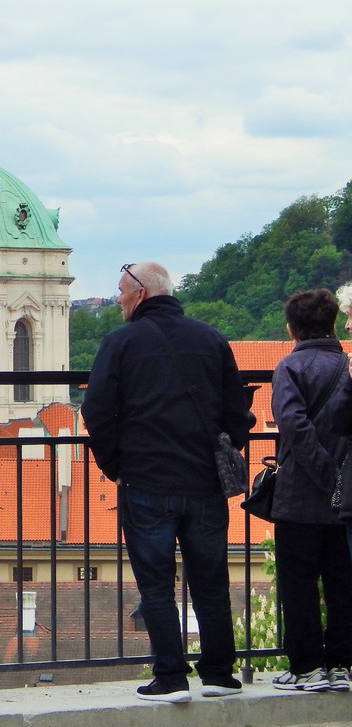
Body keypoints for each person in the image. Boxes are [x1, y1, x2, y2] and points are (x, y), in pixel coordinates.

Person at [81, 262, 252, 703]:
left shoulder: (120, 342)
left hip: (146, 481)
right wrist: (224, 451)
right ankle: (218, 673)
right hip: (204, 484)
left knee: (156, 584)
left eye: (120, 291)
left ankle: (171, 677)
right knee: (211, 581)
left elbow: (96, 411)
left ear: (139, 293)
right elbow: (238, 409)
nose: (117, 298)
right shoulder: (211, 338)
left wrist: (115, 464)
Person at [268, 289, 352, 690]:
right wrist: (339, 480)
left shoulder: (290, 367)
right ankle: (340, 662)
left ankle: (306, 666)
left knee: (298, 582)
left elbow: (294, 426)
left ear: (292, 328)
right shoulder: (345, 365)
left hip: (301, 494)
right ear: (333, 324)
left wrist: (324, 474)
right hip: (347, 495)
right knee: (341, 581)